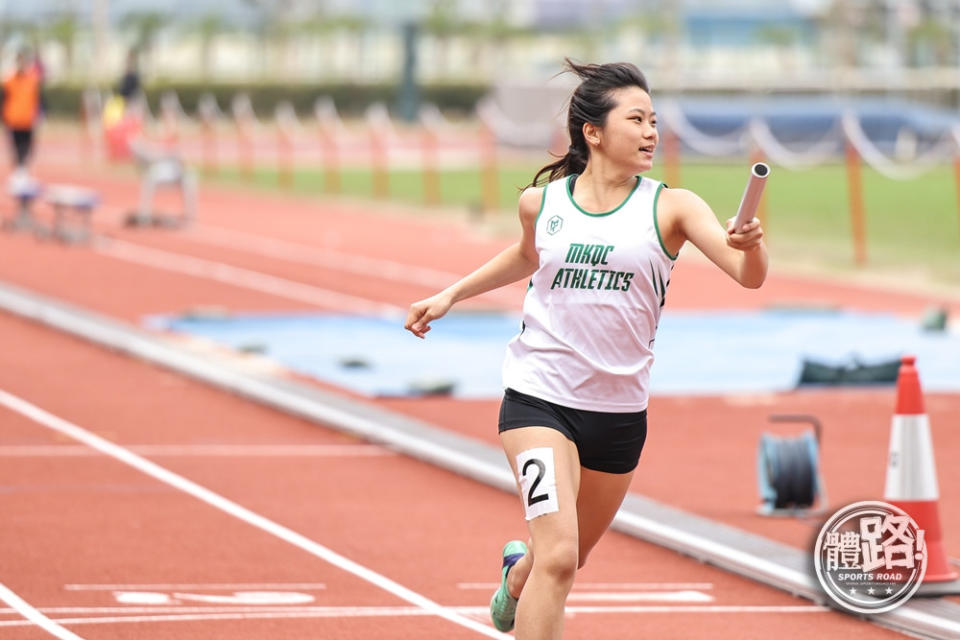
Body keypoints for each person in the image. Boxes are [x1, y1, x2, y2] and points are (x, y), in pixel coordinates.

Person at [403, 59, 767, 639]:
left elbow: (748, 276)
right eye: (637, 119)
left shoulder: (673, 206)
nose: (652, 133)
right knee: (559, 557)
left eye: (655, 121)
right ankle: (532, 576)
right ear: (592, 132)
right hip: (538, 399)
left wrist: (752, 244)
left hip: (619, 414)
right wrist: (452, 294)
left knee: (564, 559)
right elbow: (527, 256)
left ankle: (513, 581)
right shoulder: (541, 205)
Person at [1, 48, 43, 171]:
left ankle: (23, 170)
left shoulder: (32, 80)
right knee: (16, 147)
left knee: (27, 147)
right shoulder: (9, 80)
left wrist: (40, 114)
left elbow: (38, 99)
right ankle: (19, 171)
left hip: (28, 120)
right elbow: (3, 99)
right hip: (13, 119)